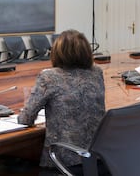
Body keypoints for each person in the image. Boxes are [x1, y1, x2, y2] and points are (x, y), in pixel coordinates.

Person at [18, 30, 107, 175]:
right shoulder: (97, 73)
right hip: (97, 160)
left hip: (62, 163)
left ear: (57, 52)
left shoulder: (49, 77)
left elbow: (25, 119)